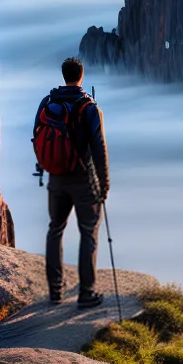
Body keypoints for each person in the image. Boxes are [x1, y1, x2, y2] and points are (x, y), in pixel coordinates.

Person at [34, 56, 110, 308]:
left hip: (56, 177)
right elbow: (99, 148)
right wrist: (104, 182)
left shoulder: (48, 102)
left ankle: (55, 291)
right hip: (83, 179)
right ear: (81, 75)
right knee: (88, 233)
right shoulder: (88, 107)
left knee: (55, 229)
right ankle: (86, 293)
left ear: (63, 75)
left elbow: (37, 137)